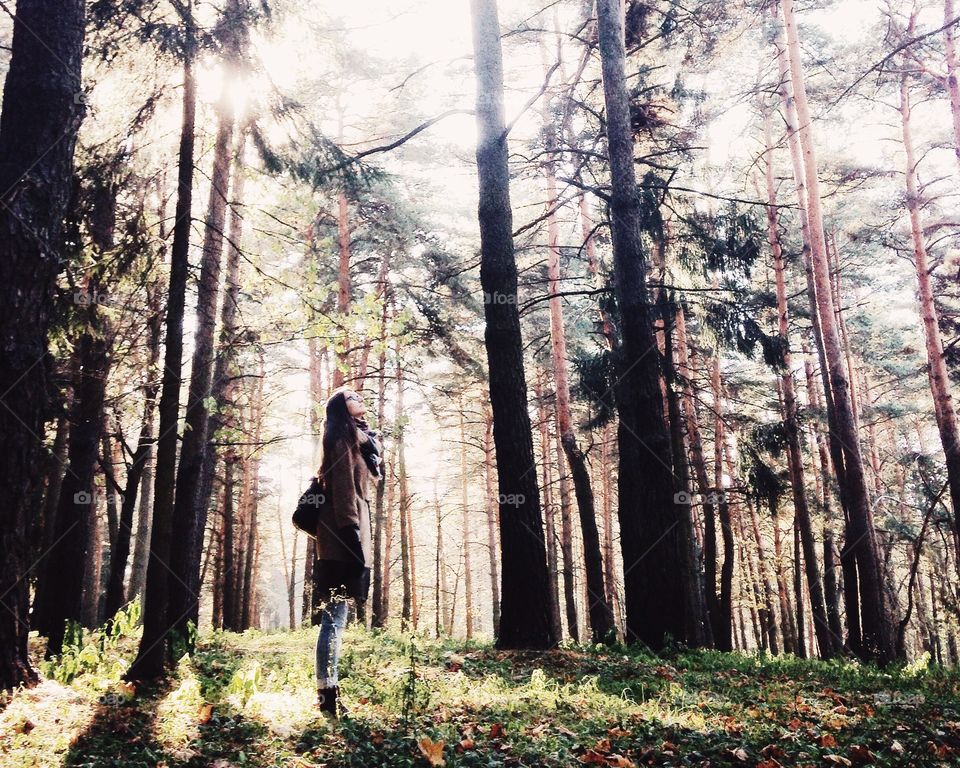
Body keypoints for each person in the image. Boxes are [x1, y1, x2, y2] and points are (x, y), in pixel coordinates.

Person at [313, 387, 380, 718]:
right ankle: (326, 694)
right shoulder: (340, 437)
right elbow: (342, 488)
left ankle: (330, 690)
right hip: (341, 537)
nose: (359, 397)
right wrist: (351, 534)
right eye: (352, 395)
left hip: (347, 534)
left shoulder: (356, 438)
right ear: (342, 407)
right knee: (333, 619)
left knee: (337, 618)